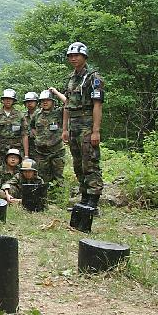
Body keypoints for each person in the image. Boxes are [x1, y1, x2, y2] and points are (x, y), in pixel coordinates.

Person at [61, 41, 104, 209]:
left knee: (90, 162)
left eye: (76, 56)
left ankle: (93, 201)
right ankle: (84, 198)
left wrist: (96, 131)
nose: (73, 59)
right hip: (73, 124)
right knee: (78, 163)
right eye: (71, 56)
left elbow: (97, 105)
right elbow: (67, 104)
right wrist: (64, 128)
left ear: (84, 57)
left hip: (87, 123)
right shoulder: (71, 78)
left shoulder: (94, 77)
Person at [30, 88, 67, 190]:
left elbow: (68, 102)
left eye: (48, 100)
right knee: (42, 178)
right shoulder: (36, 114)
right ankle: (45, 197)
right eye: (42, 100)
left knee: (58, 177)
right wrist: (38, 137)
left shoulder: (59, 113)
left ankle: (60, 197)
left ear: (53, 102)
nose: (45, 102)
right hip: (41, 152)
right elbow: (32, 127)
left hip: (57, 151)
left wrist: (55, 92)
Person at [0, 88, 27, 162]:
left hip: (16, 151)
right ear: (2, 100)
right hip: (0, 150)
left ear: (14, 101)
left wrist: (26, 155)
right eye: (6, 99)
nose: (8, 100)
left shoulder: (20, 115)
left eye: (10, 99)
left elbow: (24, 135)